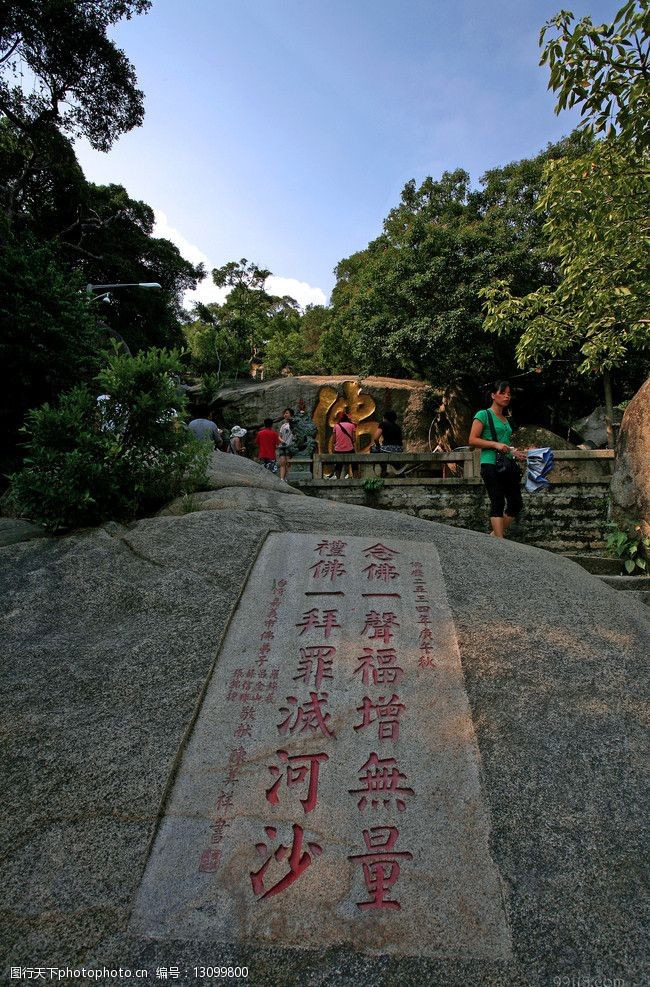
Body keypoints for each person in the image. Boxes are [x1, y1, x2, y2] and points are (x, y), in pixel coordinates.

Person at [469, 380, 527, 538]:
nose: (507, 396)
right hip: (490, 464)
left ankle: (493, 537)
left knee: (516, 503)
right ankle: (500, 542)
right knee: (498, 501)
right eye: (503, 393)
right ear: (493, 395)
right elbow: (472, 440)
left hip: (506, 464)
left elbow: (504, 445)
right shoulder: (483, 414)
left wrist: (515, 453)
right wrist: (495, 444)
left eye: (509, 394)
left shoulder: (505, 419)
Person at [332, 410, 357, 479]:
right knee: (354, 463)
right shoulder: (352, 426)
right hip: (350, 449)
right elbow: (354, 439)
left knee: (338, 464)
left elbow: (334, 440)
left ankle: (337, 478)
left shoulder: (336, 426)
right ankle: (355, 477)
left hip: (338, 449)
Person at [277, 408, 295, 481]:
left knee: (288, 463)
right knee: (282, 462)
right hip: (282, 446)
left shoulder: (294, 424)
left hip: (289, 446)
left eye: (287, 413)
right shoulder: (283, 425)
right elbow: (279, 436)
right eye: (284, 413)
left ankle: (288, 478)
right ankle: (281, 479)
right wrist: (282, 441)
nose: (285, 415)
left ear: (291, 415)